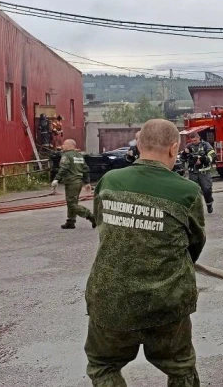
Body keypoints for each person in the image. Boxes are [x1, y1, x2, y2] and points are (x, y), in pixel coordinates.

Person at [85, 118, 205, 387]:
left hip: (110, 299)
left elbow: (103, 226)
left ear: (139, 144)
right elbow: (194, 244)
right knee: (180, 368)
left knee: (104, 366)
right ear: (174, 149)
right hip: (166, 301)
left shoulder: (109, 181)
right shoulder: (188, 191)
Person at [51, 139, 95, 229]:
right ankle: (71, 221)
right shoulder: (79, 156)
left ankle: (91, 216)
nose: (62, 146)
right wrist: (87, 182)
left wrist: (56, 179)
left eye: (64, 144)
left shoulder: (66, 155)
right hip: (78, 182)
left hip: (71, 182)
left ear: (70, 145)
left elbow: (64, 168)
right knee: (73, 202)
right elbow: (85, 169)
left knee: (71, 204)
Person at [182, 132, 216, 214]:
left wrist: (203, 159)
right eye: (192, 140)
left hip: (204, 173)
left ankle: (209, 204)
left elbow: (212, 155)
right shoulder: (189, 146)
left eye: (195, 140)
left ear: (199, 138)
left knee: (207, 190)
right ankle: (196, 210)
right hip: (193, 173)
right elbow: (182, 158)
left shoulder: (205, 145)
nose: (194, 142)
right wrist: (185, 153)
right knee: (193, 191)